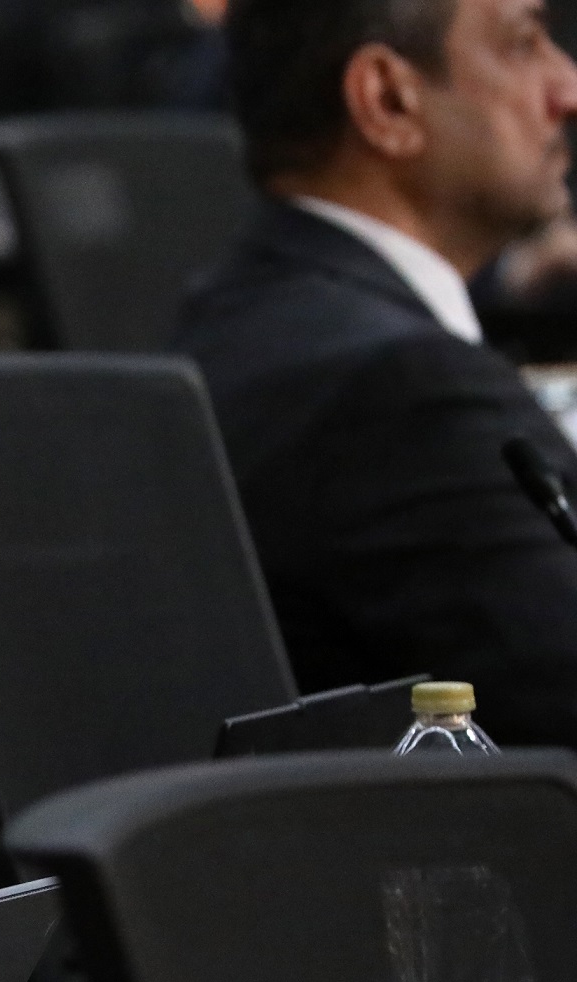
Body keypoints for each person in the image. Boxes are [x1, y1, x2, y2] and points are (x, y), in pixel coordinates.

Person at [176, 0, 577, 746]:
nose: (568, 89)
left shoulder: (238, 313)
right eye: (523, 45)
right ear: (388, 101)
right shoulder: (406, 391)